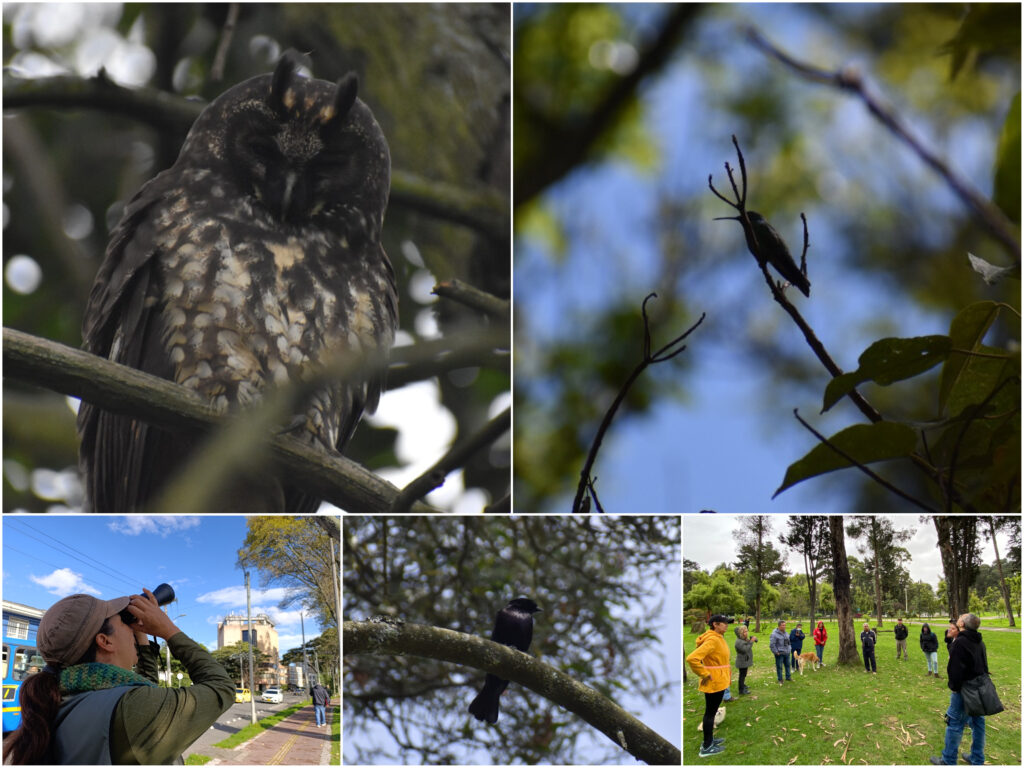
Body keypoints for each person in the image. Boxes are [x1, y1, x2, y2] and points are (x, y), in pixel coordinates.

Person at [2, 589, 234, 764]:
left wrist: (142, 641)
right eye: (124, 622)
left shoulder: (63, 701)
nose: (131, 628)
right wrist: (167, 629)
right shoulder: (131, 708)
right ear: (105, 641)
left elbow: (143, 694)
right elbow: (221, 687)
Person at [930, 614, 989, 766]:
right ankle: (977, 759)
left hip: (964, 690)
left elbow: (954, 671)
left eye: (961, 617)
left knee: (954, 723)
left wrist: (955, 689)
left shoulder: (961, 642)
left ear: (962, 623)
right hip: (980, 688)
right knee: (978, 722)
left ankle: (948, 761)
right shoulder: (978, 640)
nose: (958, 618)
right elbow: (984, 666)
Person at [686, 614, 732, 757]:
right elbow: (692, 658)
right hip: (714, 681)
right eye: (724, 623)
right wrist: (705, 674)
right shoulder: (712, 640)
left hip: (719, 680)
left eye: (727, 623)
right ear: (715, 625)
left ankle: (710, 740)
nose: (727, 625)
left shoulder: (718, 638)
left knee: (711, 712)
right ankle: (706, 747)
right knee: (710, 714)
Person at [734, 625, 757, 695]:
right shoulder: (738, 641)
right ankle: (741, 690)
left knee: (744, 674)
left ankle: (743, 685)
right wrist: (751, 642)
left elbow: (747, 644)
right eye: (744, 632)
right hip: (742, 662)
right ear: (740, 633)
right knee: (742, 675)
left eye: (746, 631)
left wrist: (751, 640)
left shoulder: (743, 639)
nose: (746, 633)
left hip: (745, 661)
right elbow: (745, 649)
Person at [768, 620, 792, 684]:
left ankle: (788, 677)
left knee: (787, 665)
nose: (784, 626)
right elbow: (772, 645)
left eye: (785, 625)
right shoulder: (774, 634)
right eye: (783, 625)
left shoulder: (786, 633)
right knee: (779, 667)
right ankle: (780, 679)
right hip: (779, 653)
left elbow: (789, 642)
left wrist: (789, 649)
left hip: (787, 652)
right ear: (779, 626)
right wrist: (776, 652)